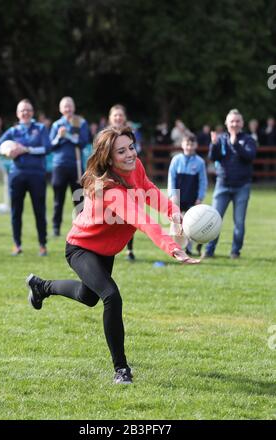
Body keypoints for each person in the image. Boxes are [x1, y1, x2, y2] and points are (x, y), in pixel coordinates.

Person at [26, 126, 200, 385]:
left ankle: (41, 287)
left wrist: (174, 211)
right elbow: (143, 221)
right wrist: (171, 247)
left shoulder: (135, 166)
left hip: (106, 251)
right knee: (111, 297)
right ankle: (121, 370)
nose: (130, 154)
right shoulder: (111, 191)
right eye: (122, 151)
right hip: (81, 248)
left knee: (88, 297)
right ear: (109, 158)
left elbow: (149, 190)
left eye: (131, 147)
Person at [0, 99, 50, 256]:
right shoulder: (13, 131)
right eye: (22, 110)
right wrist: (5, 152)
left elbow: (47, 148)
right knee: (16, 211)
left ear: (32, 112)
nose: (25, 113)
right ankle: (17, 244)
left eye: (28, 110)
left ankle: (42, 244)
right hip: (17, 175)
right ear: (17, 114)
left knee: (39, 210)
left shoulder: (40, 129)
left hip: (37, 175)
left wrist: (25, 149)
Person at [203, 109, 256, 259]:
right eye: (232, 121)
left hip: (242, 186)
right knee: (214, 220)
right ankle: (209, 250)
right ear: (227, 123)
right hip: (222, 185)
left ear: (242, 123)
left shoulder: (248, 139)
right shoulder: (220, 139)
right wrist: (213, 144)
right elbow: (213, 157)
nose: (235, 124)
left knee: (239, 222)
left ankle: (235, 252)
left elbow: (250, 156)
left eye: (237, 121)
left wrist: (236, 143)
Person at [49, 97, 90, 237]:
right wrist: (60, 137)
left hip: (76, 167)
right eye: (65, 107)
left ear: (74, 107)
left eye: (70, 106)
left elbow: (84, 142)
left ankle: (83, 228)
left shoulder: (80, 123)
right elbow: (51, 146)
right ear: (61, 109)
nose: (68, 109)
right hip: (59, 166)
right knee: (58, 200)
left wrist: (69, 136)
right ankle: (56, 228)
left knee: (79, 200)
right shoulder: (56, 125)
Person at [168, 133, 208, 256]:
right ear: (182, 144)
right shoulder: (176, 160)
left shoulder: (200, 162)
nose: (189, 147)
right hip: (178, 198)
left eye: (192, 144)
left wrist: (200, 197)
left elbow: (203, 181)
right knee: (176, 223)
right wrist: (172, 195)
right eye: (187, 144)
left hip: (192, 198)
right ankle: (175, 247)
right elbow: (171, 178)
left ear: (196, 145)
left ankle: (188, 247)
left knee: (190, 224)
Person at [108, 104, 136, 261]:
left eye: (120, 115)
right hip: (110, 183)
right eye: (115, 115)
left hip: (127, 180)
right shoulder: (105, 136)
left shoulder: (129, 134)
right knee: (110, 217)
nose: (118, 118)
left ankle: (129, 249)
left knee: (130, 216)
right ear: (110, 118)